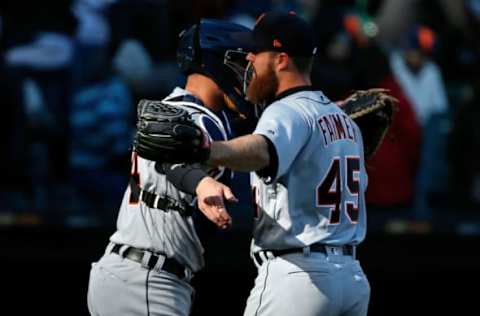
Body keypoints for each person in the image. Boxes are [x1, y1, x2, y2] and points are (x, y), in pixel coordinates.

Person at [193, 12, 371, 316]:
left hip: (299, 276)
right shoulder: (344, 120)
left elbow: (262, 151)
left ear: (281, 59)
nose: (249, 59)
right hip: (351, 279)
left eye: (256, 51)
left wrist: (208, 149)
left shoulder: (285, 111)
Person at [86, 19, 251, 316]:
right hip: (147, 278)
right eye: (239, 63)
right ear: (214, 63)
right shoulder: (187, 118)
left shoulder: (195, 113)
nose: (246, 75)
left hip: (140, 275)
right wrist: (200, 183)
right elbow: (171, 158)